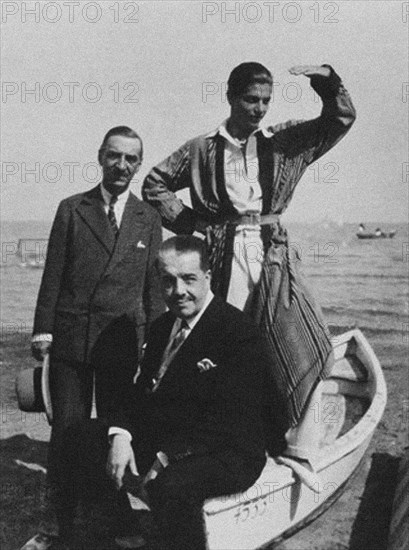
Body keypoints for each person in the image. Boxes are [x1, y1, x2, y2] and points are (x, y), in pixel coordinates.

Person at [142, 62, 356, 438]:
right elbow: (154, 184)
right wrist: (192, 225)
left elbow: (340, 118)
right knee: (230, 343)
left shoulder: (285, 141)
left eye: (265, 101)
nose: (259, 109)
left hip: (273, 255)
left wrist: (326, 80)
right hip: (223, 256)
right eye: (250, 100)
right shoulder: (201, 149)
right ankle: (225, 433)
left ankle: (287, 435)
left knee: (302, 341)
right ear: (230, 97)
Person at [65, 235, 274, 550]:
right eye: (167, 281)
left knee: (172, 485)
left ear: (208, 276)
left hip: (228, 451)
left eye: (188, 279)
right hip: (171, 436)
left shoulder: (238, 333)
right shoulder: (163, 326)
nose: (178, 291)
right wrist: (120, 436)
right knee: (83, 436)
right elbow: (139, 396)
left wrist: (165, 457)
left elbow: (231, 421)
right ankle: (125, 530)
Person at [22, 126, 164, 550]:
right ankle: (56, 524)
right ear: (100, 157)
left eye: (131, 159)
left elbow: (153, 293)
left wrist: (157, 348)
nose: (122, 165)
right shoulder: (72, 209)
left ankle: (116, 513)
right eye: (114, 156)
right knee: (67, 431)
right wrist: (42, 329)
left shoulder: (149, 218)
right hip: (72, 340)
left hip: (122, 345)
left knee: (116, 432)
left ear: (139, 165)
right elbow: (53, 275)